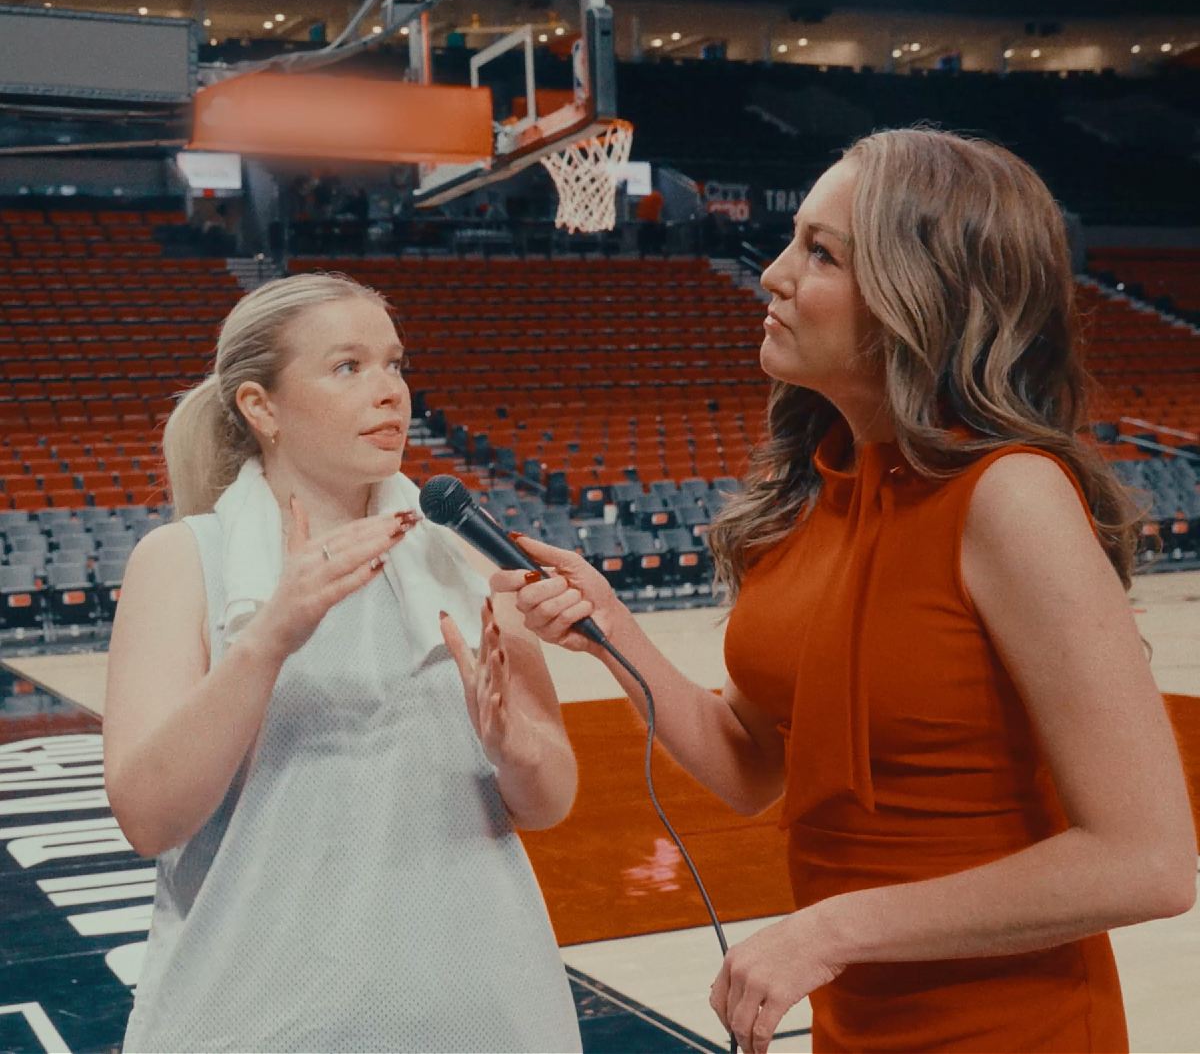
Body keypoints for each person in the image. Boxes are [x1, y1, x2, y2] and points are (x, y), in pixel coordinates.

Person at [487, 127, 1197, 1054]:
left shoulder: (1008, 495)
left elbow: (1148, 863)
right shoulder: (818, 489)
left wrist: (831, 928)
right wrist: (613, 630)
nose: (773, 273)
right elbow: (751, 768)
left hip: (1013, 1027)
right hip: (853, 1023)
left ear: (924, 295)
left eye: (819, 251)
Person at [103, 273, 582, 1053]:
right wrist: (268, 641)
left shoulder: (466, 552)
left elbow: (550, 798)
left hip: (485, 1013)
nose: (391, 391)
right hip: (254, 1021)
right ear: (262, 408)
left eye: (395, 364)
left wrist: (518, 750)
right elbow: (148, 816)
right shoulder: (186, 560)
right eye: (349, 367)